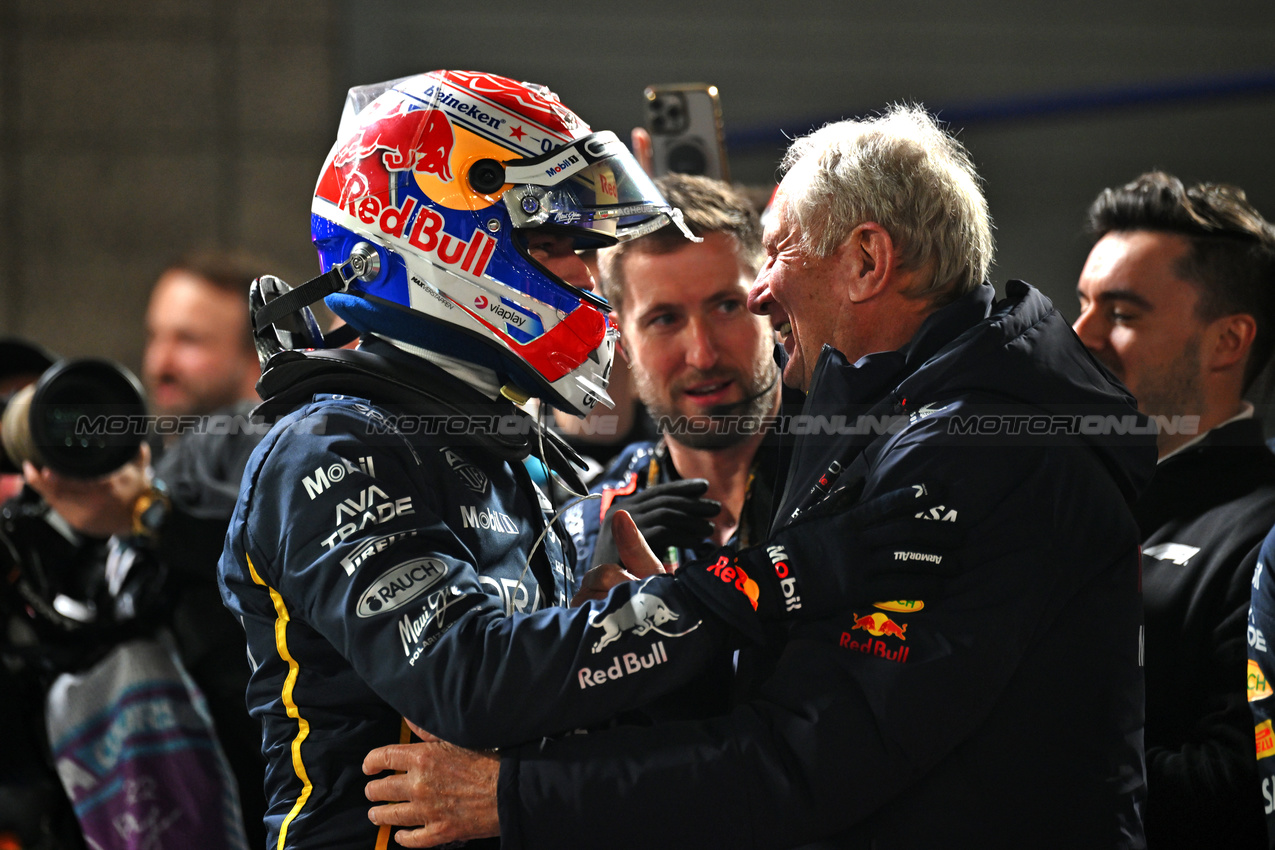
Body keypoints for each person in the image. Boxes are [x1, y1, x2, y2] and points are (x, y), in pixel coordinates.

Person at [361, 104, 1157, 848]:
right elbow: (812, 704)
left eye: (775, 254)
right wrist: (678, 642)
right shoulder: (885, 420)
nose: (761, 291)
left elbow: (815, 757)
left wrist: (514, 794)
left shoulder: (970, 453)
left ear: (866, 261)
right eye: (663, 318)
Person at [216, 69, 758, 847]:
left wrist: (636, 636)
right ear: (433, 235)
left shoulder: (511, 448)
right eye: (550, 244)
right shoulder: (332, 444)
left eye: (582, 248)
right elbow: (467, 683)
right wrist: (730, 597)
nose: (586, 277)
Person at [1072, 171, 1275, 849]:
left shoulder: (1261, 532)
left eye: (1122, 314)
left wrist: (1014, 747)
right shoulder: (1061, 500)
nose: (1080, 334)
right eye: (1083, 304)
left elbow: (1235, 790)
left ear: (1227, 341)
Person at [565, 172, 789, 579]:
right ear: (623, 342)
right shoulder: (584, 530)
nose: (702, 355)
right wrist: (592, 600)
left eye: (726, 307)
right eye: (665, 319)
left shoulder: (857, 471)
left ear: (768, 304)